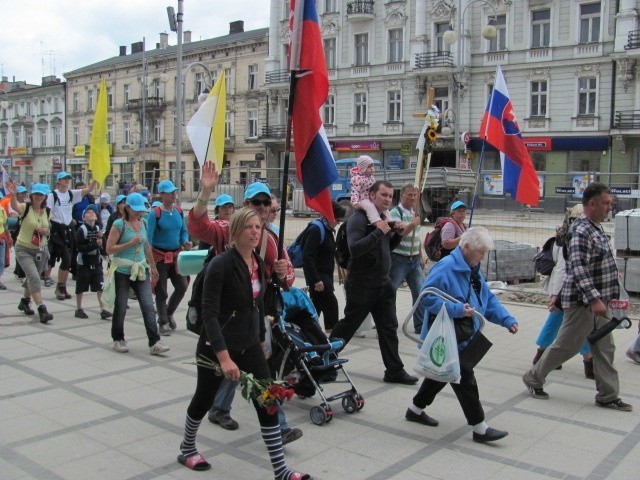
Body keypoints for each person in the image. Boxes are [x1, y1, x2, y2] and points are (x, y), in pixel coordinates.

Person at [177, 208, 310, 480]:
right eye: (249, 227)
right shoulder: (220, 265)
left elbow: (258, 305)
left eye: (258, 227)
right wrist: (224, 358)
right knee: (204, 398)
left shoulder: (258, 263)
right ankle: (187, 447)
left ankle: (281, 470)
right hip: (217, 347)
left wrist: (261, 340)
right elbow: (209, 315)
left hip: (250, 344)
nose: (255, 232)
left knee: (268, 398)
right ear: (234, 232)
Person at [190, 163, 301, 444]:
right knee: (218, 380)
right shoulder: (228, 229)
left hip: (256, 318)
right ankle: (198, 431)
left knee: (260, 376)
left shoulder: (272, 238)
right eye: (256, 202)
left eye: (266, 202)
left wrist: (281, 272)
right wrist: (205, 191)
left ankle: (276, 428)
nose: (262, 207)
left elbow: (288, 277)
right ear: (245, 205)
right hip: (225, 320)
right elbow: (199, 226)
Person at [523, 182, 632, 412]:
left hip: (600, 303)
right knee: (566, 347)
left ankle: (608, 395)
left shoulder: (596, 228)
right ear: (591, 204)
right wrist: (594, 300)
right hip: (584, 304)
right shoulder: (582, 231)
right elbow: (578, 269)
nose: (609, 207)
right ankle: (533, 378)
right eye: (605, 203)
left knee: (605, 348)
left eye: (610, 203)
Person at [407, 227, 518, 443]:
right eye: (480, 252)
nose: (482, 257)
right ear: (465, 247)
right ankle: (480, 427)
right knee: (464, 378)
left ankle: (415, 409)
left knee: (442, 373)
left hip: (464, 333)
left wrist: (507, 320)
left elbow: (488, 300)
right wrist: (456, 309)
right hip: (448, 334)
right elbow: (426, 297)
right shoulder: (447, 267)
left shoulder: (472, 268)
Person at [330, 180, 419, 385]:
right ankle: (325, 358)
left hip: (383, 284)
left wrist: (394, 233)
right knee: (348, 326)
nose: (388, 199)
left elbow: (387, 248)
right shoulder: (359, 220)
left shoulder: (384, 218)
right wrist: (380, 230)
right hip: (362, 284)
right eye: (384, 195)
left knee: (388, 328)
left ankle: (394, 370)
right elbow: (356, 249)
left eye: (390, 196)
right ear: (371, 196)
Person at [532, 204, 593, 379]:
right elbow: (562, 268)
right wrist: (556, 296)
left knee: (563, 323)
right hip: (570, 291)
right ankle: (589, 361)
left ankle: (541, 355)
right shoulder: (567, 239)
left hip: (571, 290)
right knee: (578, 326)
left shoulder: (566, 236)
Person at [105, 192, 169, 355]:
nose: (138, 213)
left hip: (141, 269)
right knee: (121, 306)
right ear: (127, 208)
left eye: (141, 210)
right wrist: (129, 243)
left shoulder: (144, 223)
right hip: (123, 270)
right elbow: (109, 248)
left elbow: (147, 246)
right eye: (135, 210)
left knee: (148, 305)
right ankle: (118, 339)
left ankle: (154, 341)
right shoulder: (119, 225)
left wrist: (153, 267)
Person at [147, 179, 192, 336]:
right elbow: (149, 238)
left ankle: (168, 312)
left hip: (175, 255)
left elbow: (183, 231)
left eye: (175, 191)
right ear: (162, 195)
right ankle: (163, 322)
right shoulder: (155, 214)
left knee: (182, 286)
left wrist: (185, 241)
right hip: (160, 257)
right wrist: (150, 262)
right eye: (171, 192)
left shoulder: (179, 211)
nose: (174, 194)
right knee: (162, 291)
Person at [8, 182, 54, 323]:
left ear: (45, 196)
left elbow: (49, 228)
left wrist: (47, 231)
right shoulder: (25, 208)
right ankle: (42, 309)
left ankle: (25, 301)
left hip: (41, 250)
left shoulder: (47, 211)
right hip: (24, 249)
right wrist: (13, 194)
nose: (38, 197)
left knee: (31, 277)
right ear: (32, 195)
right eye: (36, 194)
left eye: (41, 194)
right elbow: (15, 206)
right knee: (34, 276)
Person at [47, 171, 97, 300]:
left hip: (69, 230)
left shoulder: (71, 194)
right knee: (66, 258)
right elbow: (47, 212)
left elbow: (89, 189)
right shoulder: (52, 195)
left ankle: (62, 286)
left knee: (68, 260)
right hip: (57, 230)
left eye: (68, 179)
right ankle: (60, 286)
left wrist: (97, 178)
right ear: (58, 181)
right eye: (64, 179)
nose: (67, 181)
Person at [302, 201, 346, 334]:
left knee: (316, 307)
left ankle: (307, 332)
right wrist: (316, 280)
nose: (338, 223)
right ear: (330, 216)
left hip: (324, 277)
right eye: (337, 219)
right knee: (331, 305)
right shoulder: (316, 229)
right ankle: (332, 335)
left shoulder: (327, 229)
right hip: (319, 278)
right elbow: (307, 257)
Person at [389, 184, 425, 334]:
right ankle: (389, 325)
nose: (412, 198)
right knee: (390, 292)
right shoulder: (395, 212)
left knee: (420, 292)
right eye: (409, 195)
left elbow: (417, 236)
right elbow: (401, 233)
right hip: (399, 259)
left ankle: (420, 326)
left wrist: (420, 255)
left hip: (414, 260)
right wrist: (413, 224)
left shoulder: (415, 213)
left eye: (415, 195)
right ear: (402, 195)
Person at [74, 207, 111, 320]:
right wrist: (95, 244)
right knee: (81, 287)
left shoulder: (98, 229)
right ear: (84, 217)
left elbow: (102, 244)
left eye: (93, 212)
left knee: (100, 286)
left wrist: (104, 250)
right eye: (88, 212)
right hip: (84, 263)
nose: (91, 214)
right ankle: (79, 308)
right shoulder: (82, 230)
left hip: (96, 261)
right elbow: (79, 247)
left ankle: (103, 309)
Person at [350, 155, 389, 225]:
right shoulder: (357, 179)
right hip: (363, 199)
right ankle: (376, 221)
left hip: (372, 197)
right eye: (369, 167)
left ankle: (389, 220)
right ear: (363, 168)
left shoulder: (372, 178)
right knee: (370, 206)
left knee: (382, 204)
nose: (372, 169)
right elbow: (354, 191)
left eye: (373, 166)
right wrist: (355, 202)